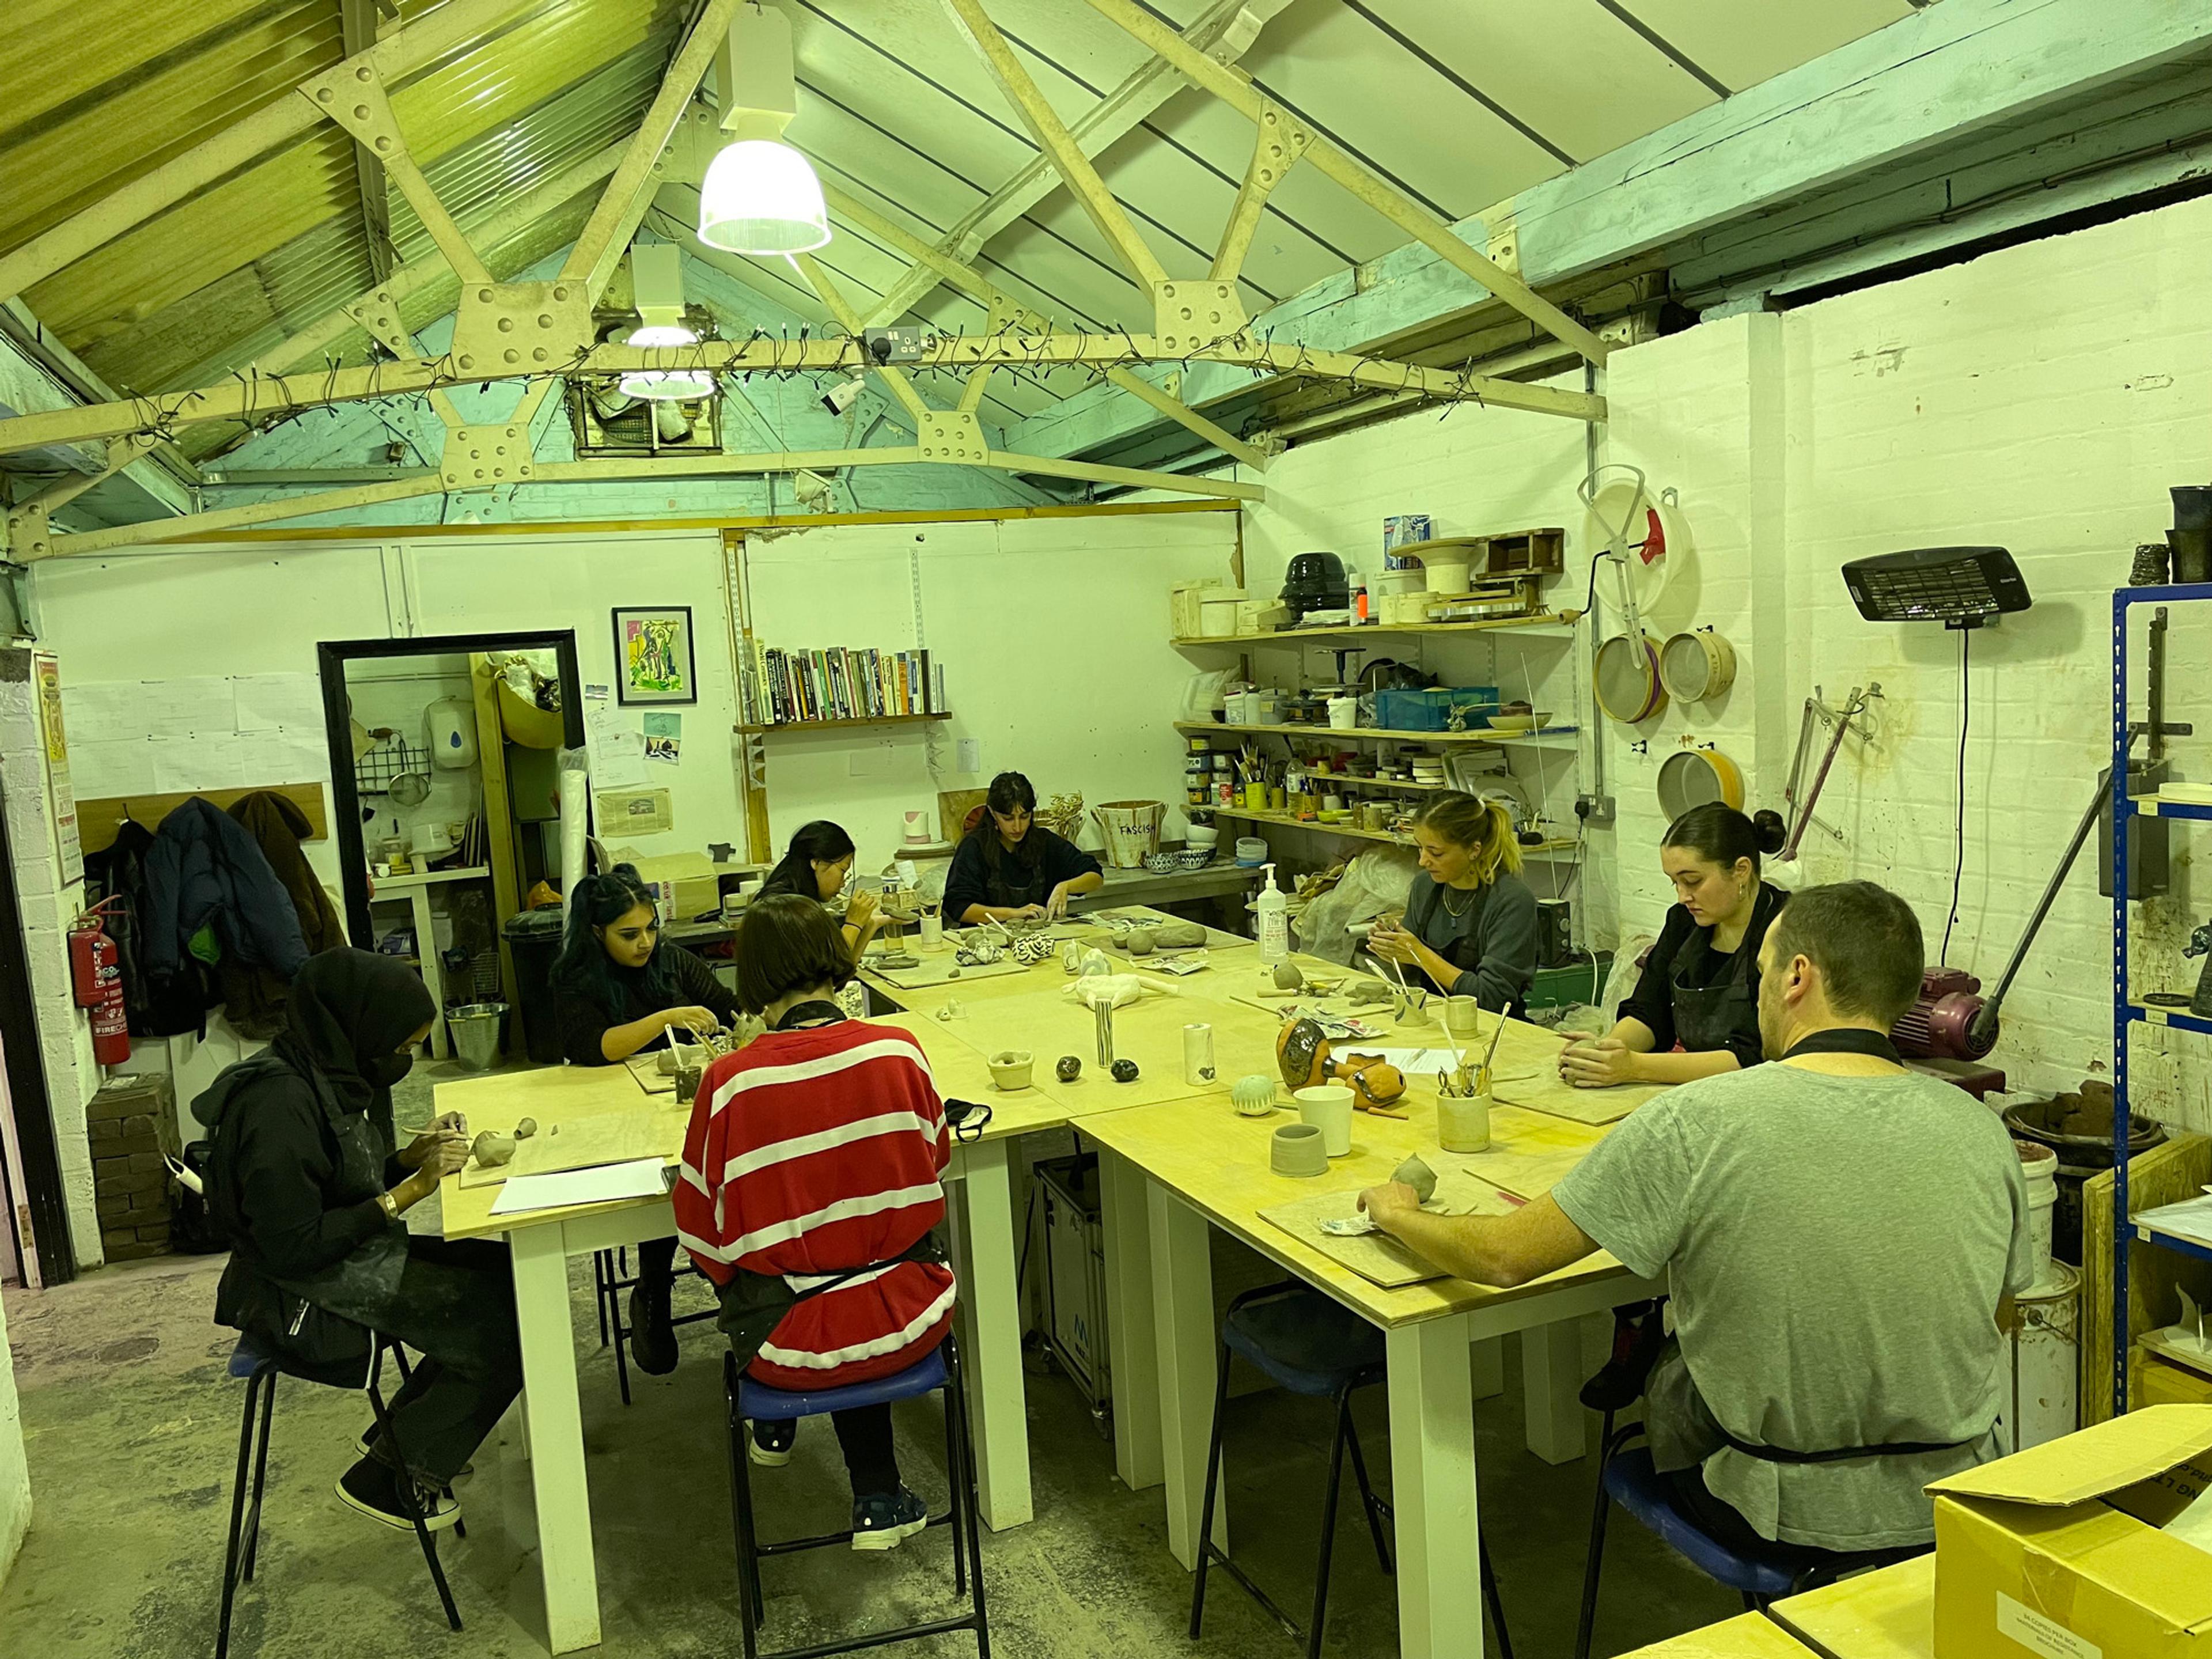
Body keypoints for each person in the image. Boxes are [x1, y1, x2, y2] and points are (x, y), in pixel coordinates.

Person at [1358, 881, 2031, 1560]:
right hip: (1960, 1495)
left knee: (1672, 1362)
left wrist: (1400, 1216)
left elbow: (1503, 1258)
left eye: (1764, 969)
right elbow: (1994, 1314)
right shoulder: (1979, 1130)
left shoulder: (1699, 1120)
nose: (1760, 987)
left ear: (1799, 977)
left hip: (1774, 1503)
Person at [196, 949, 521, 1532]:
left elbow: (337, 1187)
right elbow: (294, 1244)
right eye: (401, 1049)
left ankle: (405, 1434)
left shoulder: (325, 1072)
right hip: (296, 1290)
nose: (404, 1061)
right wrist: (412, 1191)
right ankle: (393, 1475)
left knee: (511, 1275)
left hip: (340, 1253)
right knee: (510, 1323)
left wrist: (406, 1160)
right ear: (357, 1025)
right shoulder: (278, 1106)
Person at [673, 892, 957, 1550]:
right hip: (909, 1317)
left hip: (783, 1345)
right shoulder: (898, 1050)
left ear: (753, 983)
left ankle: (778, 1424)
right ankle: (878, 1493)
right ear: (835, 959)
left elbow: (698, 1230)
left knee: (780, 1271)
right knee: (860, 1259)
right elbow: (933, 1161)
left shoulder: (730, 1081)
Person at [551, 863, 740, 1374]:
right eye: (628, 934)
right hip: (615, 1108)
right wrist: (664, 1019)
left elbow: (729, 1008)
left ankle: (731, 1275)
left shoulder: (673, 962)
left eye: (652, 929)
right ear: (597, 932)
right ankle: (653, 1287)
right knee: (662, 1177)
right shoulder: (575, 977)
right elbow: (594, 1048)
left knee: (728, 1164)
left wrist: (733, 1031)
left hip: (683, 1098)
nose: (645, 943)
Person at [1560, 804, 1791, 1088]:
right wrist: (1606, 1051)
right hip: (1691, 1089)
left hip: (1759, 1095)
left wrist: (1634, 1067)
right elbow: (1649, 1010)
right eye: (1675, 883)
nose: (1683, 896)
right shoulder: (1683, 921)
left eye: (1693, 881)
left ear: (1741, 870)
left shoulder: (1788, 930)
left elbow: (1757, 1057)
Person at [1365, 793, 1537, 1014]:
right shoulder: (1425, 886)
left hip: (1493, 1028)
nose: (1423, 861)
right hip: (1434, 1017)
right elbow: (1413, 974)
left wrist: (1420, 954)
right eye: (1420, 848)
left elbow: (1492, 998)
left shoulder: (1511, 900)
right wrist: (1396, 952)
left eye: (1436, 853)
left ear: (1474, 850)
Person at [941, 771, 1103, 926]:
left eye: (1024, 817)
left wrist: (1065, 887)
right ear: (992, 813)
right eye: (1008, 818)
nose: (1018, 827)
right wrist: (1015, 914)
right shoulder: (974, 848)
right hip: (987, 941)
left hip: (1037, 938)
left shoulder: (1044, 842)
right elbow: (959, 908)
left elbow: (1095, 876)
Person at [757, 819, 882, 958]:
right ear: (817, 863)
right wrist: (853, 923)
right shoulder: (789, 909)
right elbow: (832, 969)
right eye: (842, 870)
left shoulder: (783, 898)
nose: (842, 883)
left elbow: (844, 971)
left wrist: (872, 924)